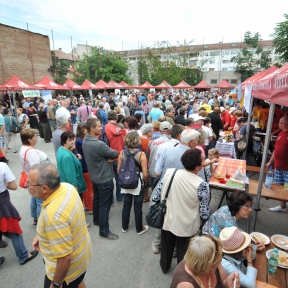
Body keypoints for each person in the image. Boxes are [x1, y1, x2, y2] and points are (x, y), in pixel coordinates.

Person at [29, 164, 92, 288]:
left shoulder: (54, 216)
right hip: (82, 255)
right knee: (78, 281)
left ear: (44, 189)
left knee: (74, 281)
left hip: (67, 273)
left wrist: (56, 284)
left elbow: (65, 257)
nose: (26, 185)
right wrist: (42, 234)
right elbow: (67, 221)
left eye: (29, 183)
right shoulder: (66, 187)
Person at [158, 149, 210, 274]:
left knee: (166, 246)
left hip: (168, 218)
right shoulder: (202, 184)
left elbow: (156, 195)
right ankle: (181, 273)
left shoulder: (169, 173)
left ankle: (164, 267)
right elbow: (204, 213)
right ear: (197, 167)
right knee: (184, 251)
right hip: (187, 223)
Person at [82, 118, 119, 240]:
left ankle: (97, 220)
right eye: (98, 126)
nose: (101, 128)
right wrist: (108, 158)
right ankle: (104, 230)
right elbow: (114, 153)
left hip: (95, 176)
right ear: (92, 128)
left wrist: (105, 158)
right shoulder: (98, 144)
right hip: (104, 178)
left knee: (97, 199)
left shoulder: (85, 141)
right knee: (105, 205)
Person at [0, 162, 38, 265]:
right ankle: (23, 256)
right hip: (2, 203)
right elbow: (13, 186)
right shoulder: (2, 166)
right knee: (15, 231)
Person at [170, 236, 240, 288]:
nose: (219, 264)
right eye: (217, 264)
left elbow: (223, 279)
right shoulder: (186, 284)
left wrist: (227, 283)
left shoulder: (211, 256)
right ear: (209, 267)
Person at [117, 132, 149, 235]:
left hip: (125, 182)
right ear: (137, 141)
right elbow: (145, 174)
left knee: (126, 205)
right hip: (137, 182)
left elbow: (118, 170)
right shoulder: (141, 154)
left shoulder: (122, 152)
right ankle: (139, 228)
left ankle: (124, 227)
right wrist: (145, 182)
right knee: (138, 206)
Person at [19, 128, 42, 225]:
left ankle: (35, 217)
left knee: (34, 198)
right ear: (29, 139)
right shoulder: (31, 152)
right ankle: (41, 220)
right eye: (35, 136)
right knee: (40, 200)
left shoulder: (23, 148)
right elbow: (36, 169)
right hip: (35, 179)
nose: (37, 138)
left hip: (28, 176)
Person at [267, 116, 288, 212]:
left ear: (284, 124)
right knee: (280, 186)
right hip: (278, 166)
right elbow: (276, 150)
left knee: (287, 188)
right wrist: (270, 161)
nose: (278, 124)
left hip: (286, 168)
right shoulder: (280, 134)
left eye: (279, 123)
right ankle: (282, 206)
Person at [105, 111, 127, 203]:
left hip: (108, 156)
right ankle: (120, 197)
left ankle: (111, 200)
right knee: (119, 178)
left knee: (109, 179)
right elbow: (126, 143)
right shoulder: (123, 129)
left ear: (107, 118)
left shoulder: (105, 128)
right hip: (120, 156)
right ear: (116, 118)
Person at [56, 131, 86, 196]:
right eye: (69, 140)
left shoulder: (61, 149)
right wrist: (75, 192)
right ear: (64, 142)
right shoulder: (67, 157)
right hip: (72, 188)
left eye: (73, 139)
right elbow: (71, 176)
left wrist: (74, 158)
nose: (72, 142)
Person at [75, 122, 93, 214]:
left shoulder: (79, 140)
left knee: (86, 188)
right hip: (86, 166)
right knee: (90, 188)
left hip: (84, 166)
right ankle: (91, 207)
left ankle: (86, 205)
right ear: (83, 130)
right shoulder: (81, 141)